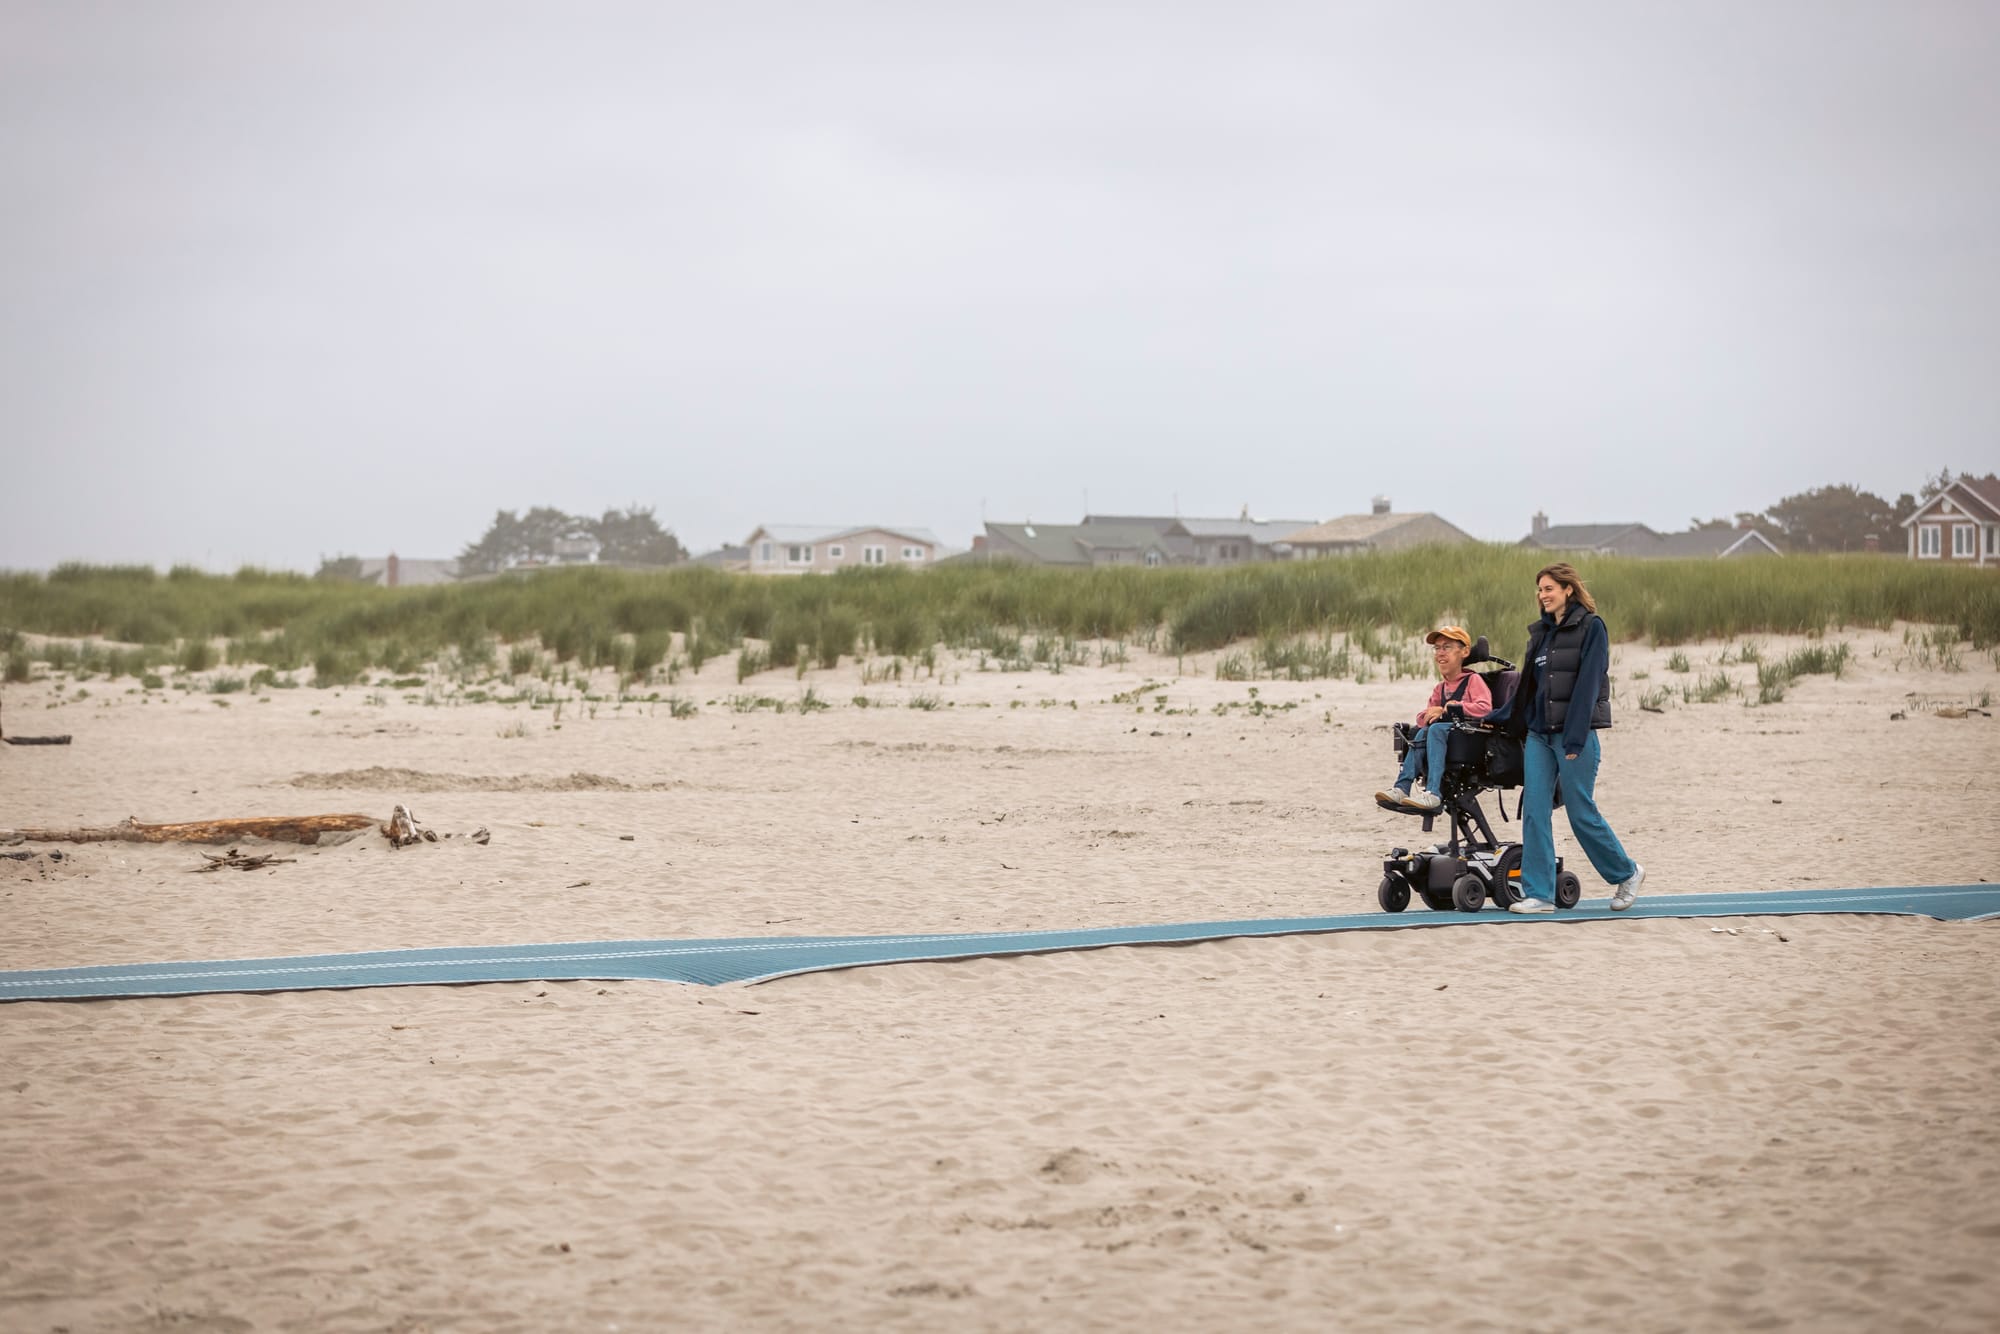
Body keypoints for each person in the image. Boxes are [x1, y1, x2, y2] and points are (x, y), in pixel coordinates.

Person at [1481, 562, 1645, 914]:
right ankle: (1539, 894)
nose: (1542, 596)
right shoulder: (1541, 633)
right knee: (1535, 811)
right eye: (1539, 590)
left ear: (1568, 589)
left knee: (1580, 812)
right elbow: (1527, 689)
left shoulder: (1591, 627)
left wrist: (1574, 740)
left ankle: (1627, 872)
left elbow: (1588, 686)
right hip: (1540, 735)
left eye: (1548, 589)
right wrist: (1496, 719)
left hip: (1576, 737)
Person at [1374, 625, 1492, 813]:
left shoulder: (1473, 681)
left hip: (1469, 740)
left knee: (1435, 730)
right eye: (1437, 648)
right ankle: (1402, 787)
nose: (1440, 653)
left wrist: (1449, 708)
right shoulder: (1440, 688)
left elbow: (1485, 708)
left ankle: (1433, 792)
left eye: (1447, 647)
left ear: (1465, 652)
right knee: (1421, 731)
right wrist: (1428, 716)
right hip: (1446, 738)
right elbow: (1425, 716)